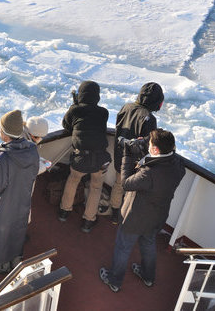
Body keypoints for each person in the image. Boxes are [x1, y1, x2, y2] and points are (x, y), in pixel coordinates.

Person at [99, 128, 184, 292]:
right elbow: (167, 160)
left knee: (123, 247)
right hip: (158, 216)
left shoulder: (149, 173)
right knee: (148, 244)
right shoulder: (178, 163)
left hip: (135, 217)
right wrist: (147, 151)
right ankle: (148, 276)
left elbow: (127, 183)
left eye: (150, 144)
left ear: (155, 150)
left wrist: (128, 155)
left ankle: (114, 280)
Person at [0, 110, 40, 274]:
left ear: (5, 134)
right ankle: (15, 259)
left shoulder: (4, 158)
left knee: (0, 230)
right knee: (17, 228)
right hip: (22, 199)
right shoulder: (32, 149)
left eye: (1, 128)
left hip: (5, 203)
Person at [104, 82, 164, 224]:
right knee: (131, 189)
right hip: (135, 160)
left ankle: (114, 212)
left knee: (118, 183)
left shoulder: (127, 107)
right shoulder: (149, 118)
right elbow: (147, 143)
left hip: (120, 153)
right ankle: (125, 214)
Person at [58, 80, 112, 233]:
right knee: (96, 187)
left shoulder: (75, 110)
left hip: (80, 158)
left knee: (73, 180)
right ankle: (88, 221)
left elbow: (67, 125)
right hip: (100, 159)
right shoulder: (104, 112)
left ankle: (64, 211)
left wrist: (74, 105)